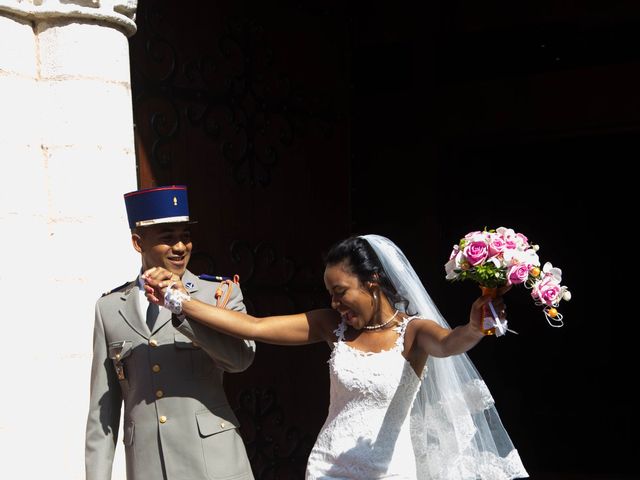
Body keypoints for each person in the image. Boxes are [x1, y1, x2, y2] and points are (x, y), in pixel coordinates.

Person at [143, 234, 529, 479]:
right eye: (329, 292)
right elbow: (255, 327)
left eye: (341, 291)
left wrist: (477, 327)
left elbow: (451, 343)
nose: (334, 302)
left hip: (388, 471)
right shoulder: (332, 326)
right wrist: (180, 302)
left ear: (372, 282)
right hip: (328, 466)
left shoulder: (413, 333)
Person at [85, 185, 256, 480]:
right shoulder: (109, 308)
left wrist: (182, 307)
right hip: (149, 468)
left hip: (214, 466)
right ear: (138, 242)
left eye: (185, 237)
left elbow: (239, 360)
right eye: (168, 239)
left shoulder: (218, 293)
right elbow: (103, 415)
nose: (180, 247)